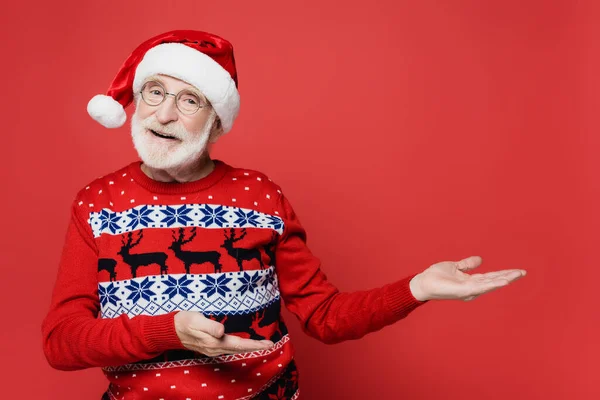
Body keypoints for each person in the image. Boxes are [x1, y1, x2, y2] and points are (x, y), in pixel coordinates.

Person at [41, 30, 526, 400]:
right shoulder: (97, 202)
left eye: (189, 100)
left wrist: (417, 288)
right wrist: (168, 331)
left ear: (215, 122)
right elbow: (62, 342)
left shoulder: (259, 195)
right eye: (154, 92)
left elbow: (324, 316)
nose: (164, 114)